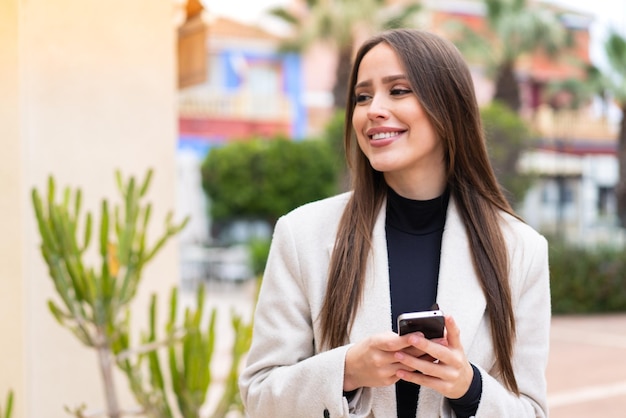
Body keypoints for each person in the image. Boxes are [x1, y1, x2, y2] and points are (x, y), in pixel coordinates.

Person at [239, 28, 550, 418]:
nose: (373, 110)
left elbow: (533, 410)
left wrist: (467, 387)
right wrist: (347, 370)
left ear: (448, 107)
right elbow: (259, 396)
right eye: (362, 96)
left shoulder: (520, 249)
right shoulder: (301, 234)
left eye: (398, 90)